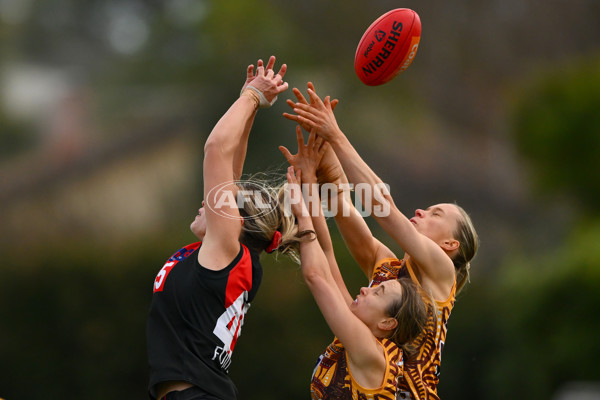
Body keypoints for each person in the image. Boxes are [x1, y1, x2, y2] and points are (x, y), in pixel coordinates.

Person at [282, 83, 479, 400]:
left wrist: (335, 135)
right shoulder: (389, 272)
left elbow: (382, 207)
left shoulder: (442, 274)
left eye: (435, 214)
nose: (420, 211)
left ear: (450, 246)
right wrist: (322, 169)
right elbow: (344, 214)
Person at [146, 56, 307, 400]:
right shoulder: (231, 255)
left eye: (221, 202)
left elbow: (217, 149)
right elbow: (230, 166)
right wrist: (249, 106)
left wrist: (249, 97)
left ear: (235, 223)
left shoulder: (227, 252)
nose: (209, 201)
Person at [284, 129, 429, 399]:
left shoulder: (371, 353)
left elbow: (316, 276)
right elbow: (326, 255)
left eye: (378, 292)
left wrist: (301, 212)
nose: (366, 289)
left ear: (387, 323)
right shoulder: (361, 335)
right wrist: (310, 182)